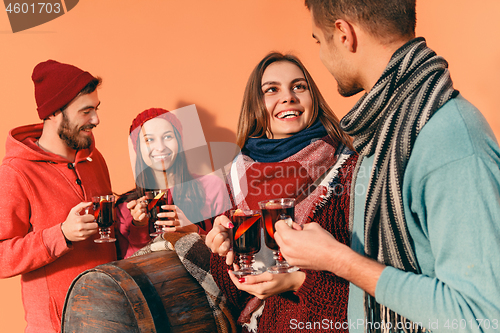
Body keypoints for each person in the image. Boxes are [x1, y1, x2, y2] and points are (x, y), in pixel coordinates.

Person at [275, 1, 500, 332]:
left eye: (317, 41)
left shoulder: (450, 138)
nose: (320, 56)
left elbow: (481, 317)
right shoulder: (379, 135)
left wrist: (339, 260)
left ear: (344, 35)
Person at [206, 52, 358, 332]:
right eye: (271, 90)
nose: (288, 97)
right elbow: (235, 294)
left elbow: (374, 292)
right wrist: (223, 250)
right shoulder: (238, 175)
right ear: (255, 106)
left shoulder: (348, 171)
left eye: (299, 87)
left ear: (314, 98)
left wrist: (297, 282)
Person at [0, 60, 116, 333]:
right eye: (86, 111)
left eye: (96, 109)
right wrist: (61, 234)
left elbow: (109, 238)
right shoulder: (16, 172)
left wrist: (131, 220)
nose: (96, 120)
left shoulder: (93, 159)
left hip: (111, 319)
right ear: (54, 113)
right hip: (56, 327)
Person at [115, 107, 229, 259]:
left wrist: (194, 230)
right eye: (149, 140)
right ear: (138, 148)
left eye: (168, 137)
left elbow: (228, 251)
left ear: (179, 142)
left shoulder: (212, 187)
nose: (160, 147)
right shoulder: (125, 207)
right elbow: (125, 271)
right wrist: (139, 227)